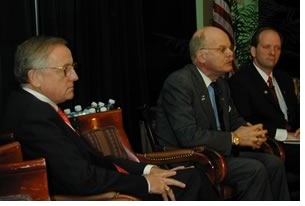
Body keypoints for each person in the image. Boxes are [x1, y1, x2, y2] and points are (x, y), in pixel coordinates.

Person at [3, 36, 219, 201]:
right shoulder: (33, 116)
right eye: (65, 69)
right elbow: (80, 178)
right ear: (35, 77)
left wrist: (148, 169)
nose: (75, 77)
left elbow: (96, 160)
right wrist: (144, 184)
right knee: (193, 179)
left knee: (190, 176)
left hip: (102, 186)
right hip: (94, 197)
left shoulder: (33, 107)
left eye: (73, 68)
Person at [155, 26, 290, 200]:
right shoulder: (180, 82)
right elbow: (188, 136)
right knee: (254, 170)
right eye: (222, 49)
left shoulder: (220, 84)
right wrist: (235, 138)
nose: (230, 54)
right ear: (202, 56)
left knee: (274, 163)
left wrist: (251, 133)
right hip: (192, 159)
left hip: (218, 153)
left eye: (230, 49)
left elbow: (233, 119)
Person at [228, 27, 300, 199]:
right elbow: (246, 121)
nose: (273, 52)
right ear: (253, 51)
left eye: (277, 48)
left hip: (295, 140)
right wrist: (285, 134)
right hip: (268, 144)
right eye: (267, 47)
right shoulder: (240, 80)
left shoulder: (284, 78)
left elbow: (296, 113)